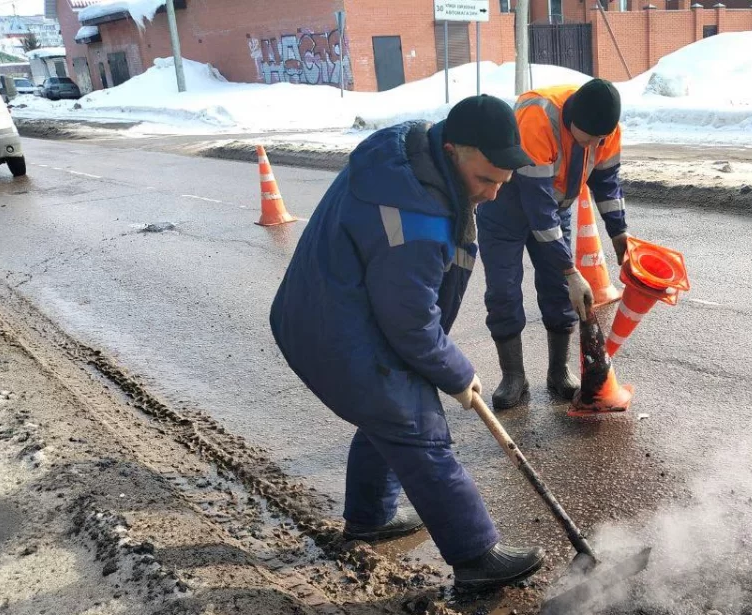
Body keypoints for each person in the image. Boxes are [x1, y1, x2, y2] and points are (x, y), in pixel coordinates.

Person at [270, 96, 545, 589]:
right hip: (336, 328)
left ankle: (370, 518)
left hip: (327, 304)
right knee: (417, 425)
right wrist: (460, 375)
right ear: (454, 148)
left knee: (388, 414)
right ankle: (475, 555)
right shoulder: (416, 221)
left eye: (503, 183)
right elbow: (412, 324)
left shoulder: (409, 152)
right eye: (485, 180)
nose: (492, 195)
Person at [477, 78, 634, 409]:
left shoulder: (606, 129)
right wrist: (570, 269)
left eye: (600, 138)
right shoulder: (538, 118)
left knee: (559, 292)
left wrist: (619, 234)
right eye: (588, 137)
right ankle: (513, 376)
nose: (594, 143)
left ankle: (558, 370)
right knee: (503, 290)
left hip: (555, 207)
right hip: (505, 206)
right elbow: (538, 206)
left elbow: (607, 183)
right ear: (572, 119)